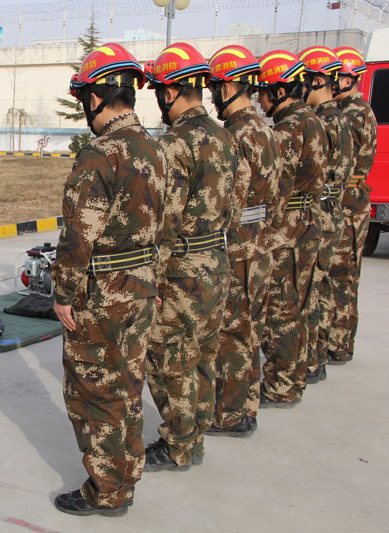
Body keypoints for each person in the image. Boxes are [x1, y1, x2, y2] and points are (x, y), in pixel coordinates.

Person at [51, 43, 166, 517]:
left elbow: (79, 234)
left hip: (101, 295)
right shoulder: (156, 148)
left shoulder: (99, 155)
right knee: (128, 385)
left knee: (95, 393)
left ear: (95, 96)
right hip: (142, 287)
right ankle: (126, 476)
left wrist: (63, 293)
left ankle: (106, 490)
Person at [143, 42, 236, 471]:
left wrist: (154, 278)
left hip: (182, 270)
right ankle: (194, 439)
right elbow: (235, 203)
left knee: (170, 360)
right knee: (203, 356)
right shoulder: (224, 136)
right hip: (216, 260)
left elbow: (167, 219)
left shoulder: (174, 144)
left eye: (159, 92)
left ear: (170, 92)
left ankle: (178, 445)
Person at [205, 45, 282, 438]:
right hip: (261, 244)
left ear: (228, 87)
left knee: (231, 333)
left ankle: (231, 414)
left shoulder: (235, 136)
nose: (211, 97)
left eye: (214, 89)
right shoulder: (267, 130)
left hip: (236, 249)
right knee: (249, 329)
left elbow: (226, 202)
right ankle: (246, 406)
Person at [256, 50, 326, 406]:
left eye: (264, 92)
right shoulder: (313, 120)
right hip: (308, 220)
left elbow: (277, 188)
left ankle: (282, 385)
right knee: (298, 304)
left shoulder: (287, 129)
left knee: (281, 310)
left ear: (280, 91)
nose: (260, 100)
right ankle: (295, 376)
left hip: (288, 227)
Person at [298, 45, 355, 383]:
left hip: (320, 211)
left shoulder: (322, 122)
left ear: (318, 81)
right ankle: (316, 356)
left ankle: (310, 360)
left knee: (309, 291)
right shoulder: (339, 119)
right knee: (319, 288)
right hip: (331, 210)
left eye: (304, 81)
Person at [331, 46, 377, 363]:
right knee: (347, 273)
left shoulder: (352, 114)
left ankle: (339, 342)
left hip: (348, 199)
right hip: (353, 197)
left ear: (350, 79)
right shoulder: (356, 110)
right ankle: (342, 340)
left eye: (337, 77)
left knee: (341, 273)